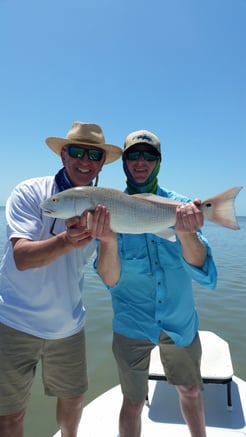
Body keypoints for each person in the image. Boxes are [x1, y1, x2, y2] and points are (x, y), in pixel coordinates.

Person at [0, 121, 122, 437]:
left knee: (74, 402)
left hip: (68, 326)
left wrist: (109, 241)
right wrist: (66, 241)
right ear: (63, 155)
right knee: (10, 415)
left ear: (102, 162)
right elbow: (22, 258)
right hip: (14, 322)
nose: (85, 161)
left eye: (94, 155)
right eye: (77, 152)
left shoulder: (109, 205)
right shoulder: (31, 192)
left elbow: (110, 278)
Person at [95, 129, 217, 437]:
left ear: (158, 162)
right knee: (133, 403)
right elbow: (110, 279)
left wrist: (187, 232)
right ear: (123, 161)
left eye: (149, 155)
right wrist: (108, 240)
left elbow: (206, 274)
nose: (140, 162)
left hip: (179, 320)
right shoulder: (107, 210)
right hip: (131, 323)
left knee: (190, 390)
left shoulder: (181, 207)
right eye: (133, 155)